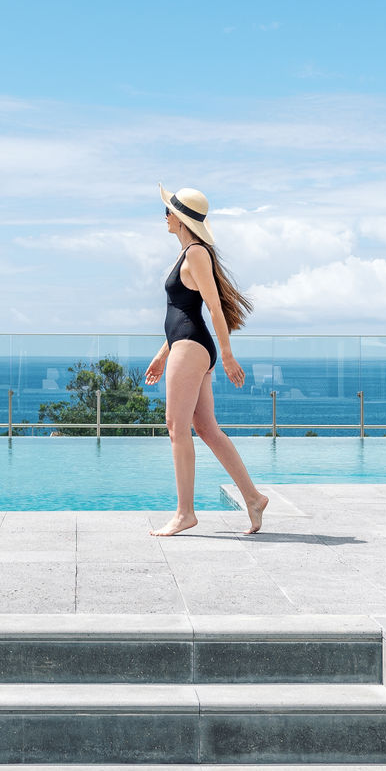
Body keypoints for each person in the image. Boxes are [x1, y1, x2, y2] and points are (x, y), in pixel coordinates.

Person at [146, 184, 269, 536]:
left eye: (168, 211)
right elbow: (183, 311)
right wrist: (161, 353)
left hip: (192, 346)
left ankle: (185, 512)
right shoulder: (189, 253)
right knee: (206, 428)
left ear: (180, 219)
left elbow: (213, 308)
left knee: (176, 427)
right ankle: (253, 497)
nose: (165, 217)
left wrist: (228, 355)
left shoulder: (196, 253)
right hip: (186, 344)